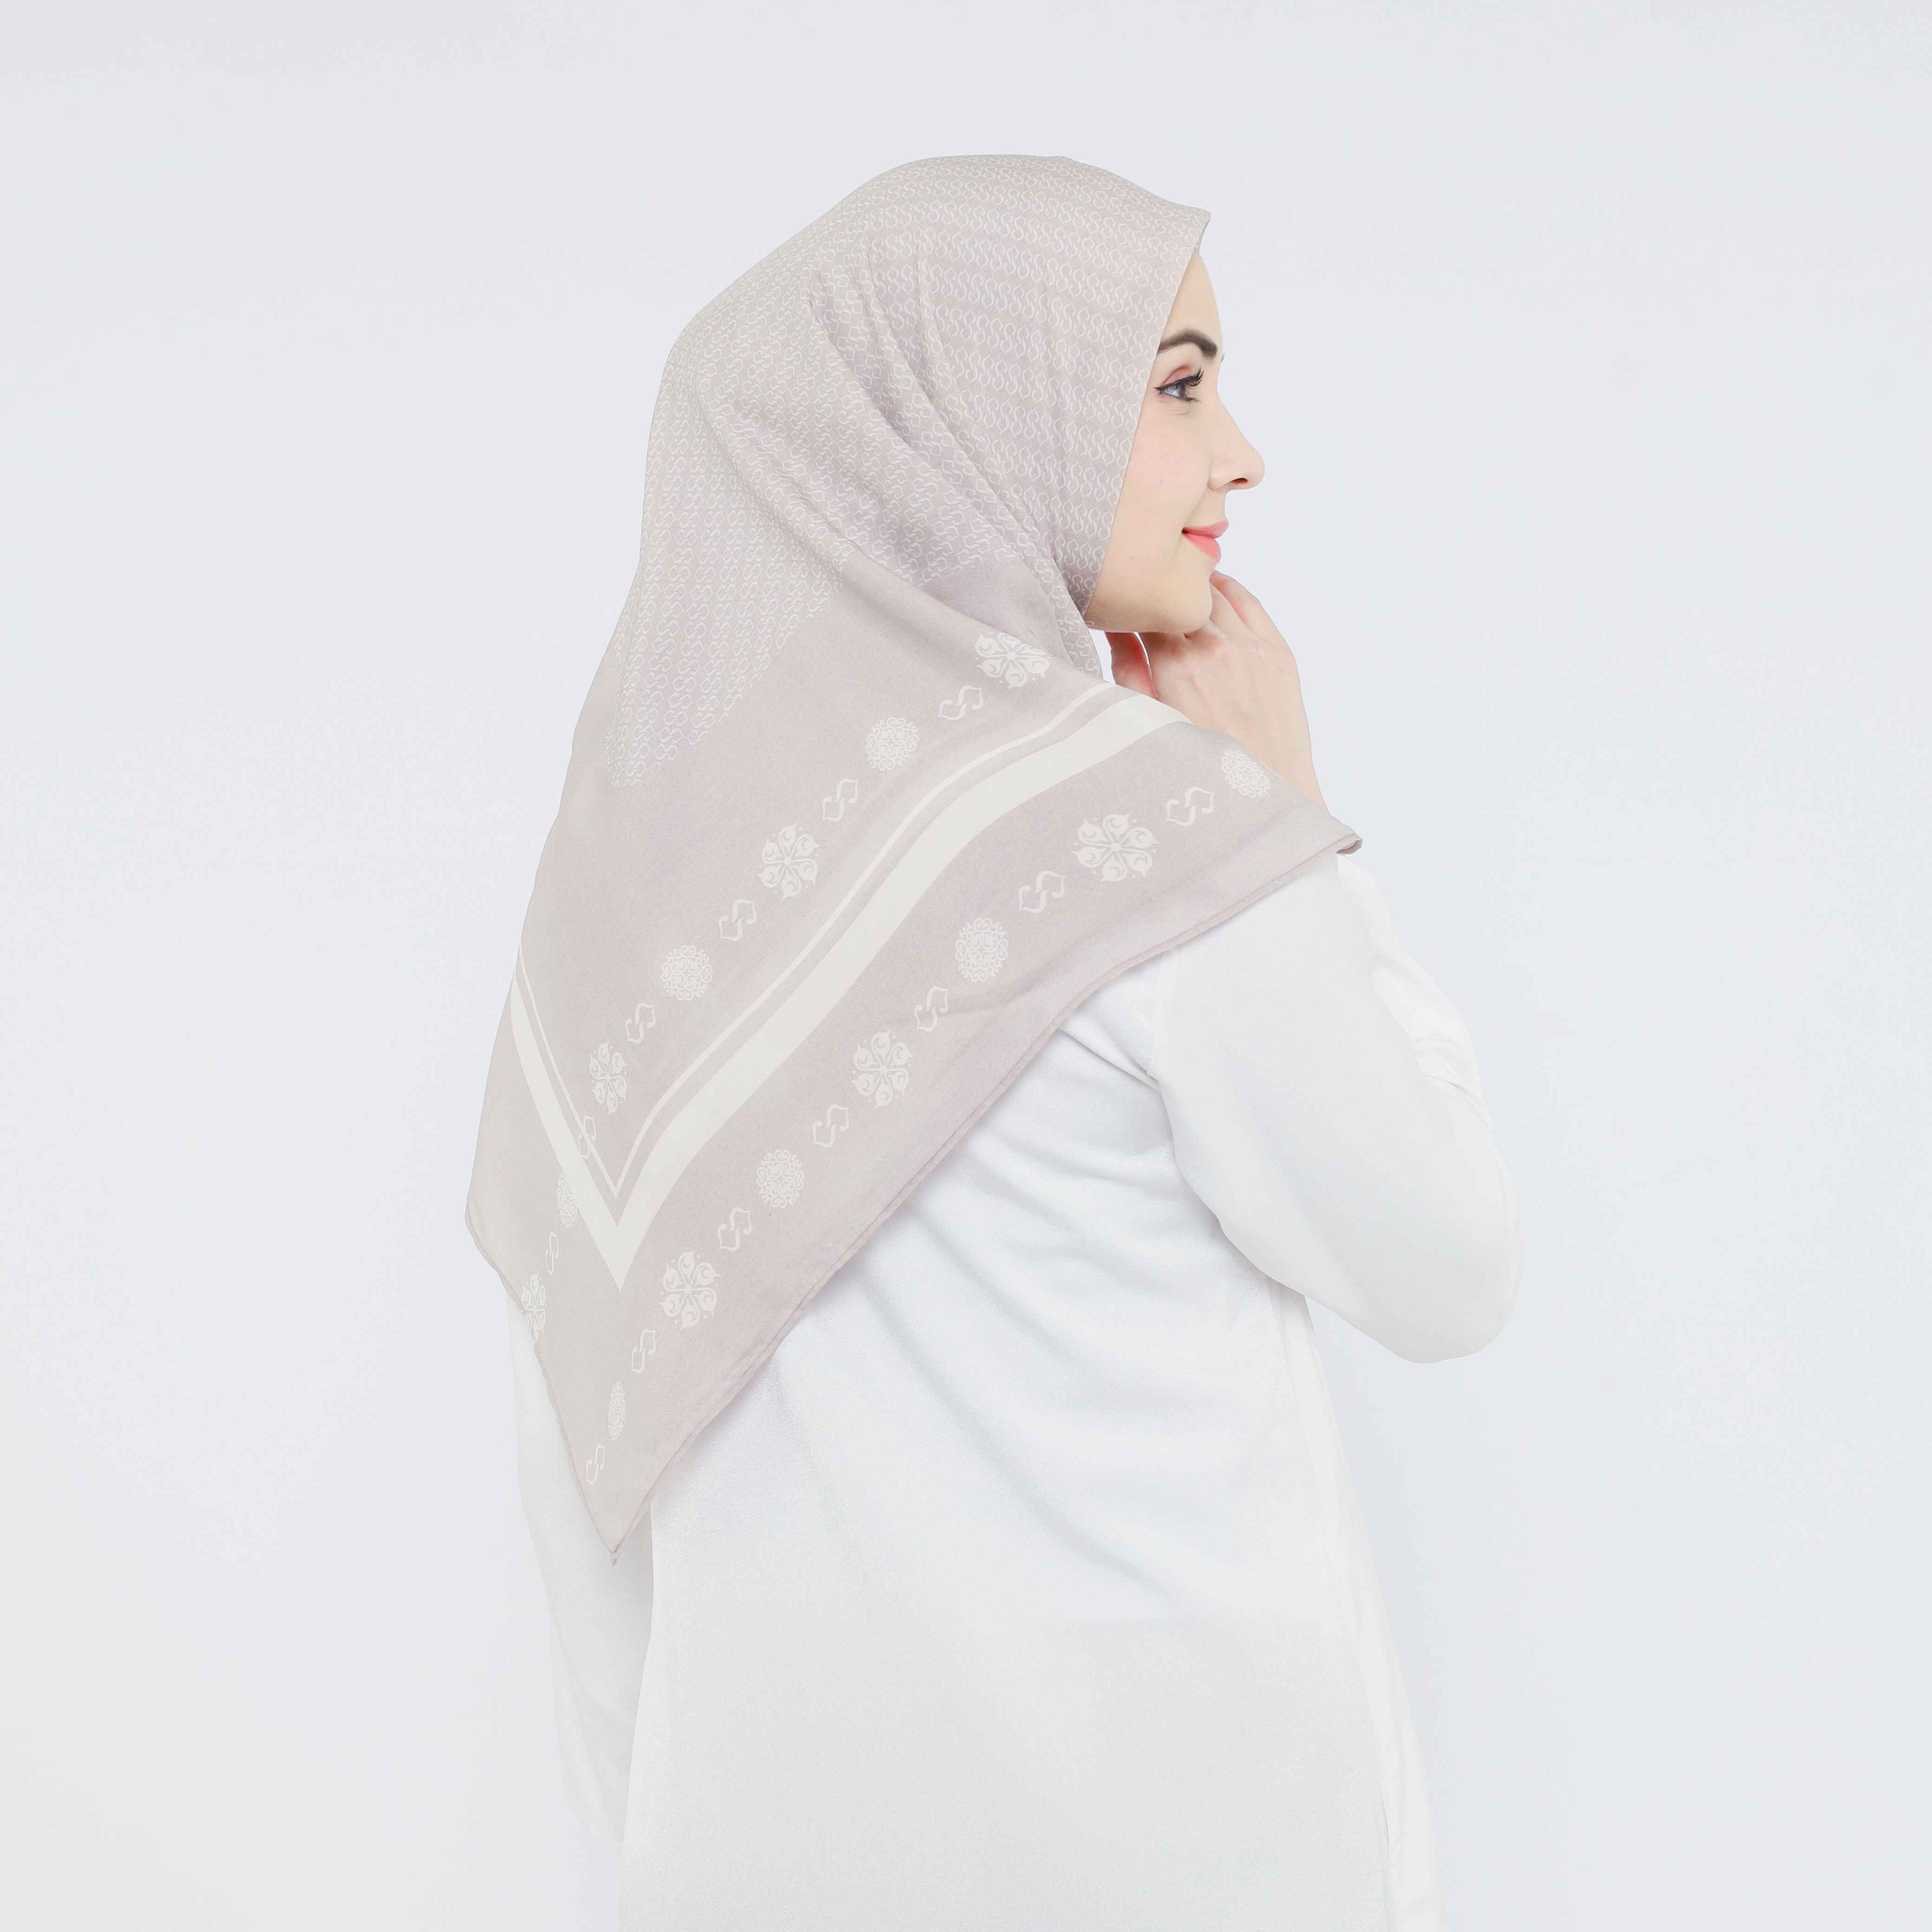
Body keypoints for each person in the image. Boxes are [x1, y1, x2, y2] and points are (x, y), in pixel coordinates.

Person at [492, 157, 1520, 1931]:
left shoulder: (624, 916)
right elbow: (1447, 1265)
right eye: (1178, 385)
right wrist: (1287, 812)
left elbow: (587, 1507)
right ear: (970, 413)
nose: (1241, 456)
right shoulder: (1146, 834)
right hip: (1202, 1868)